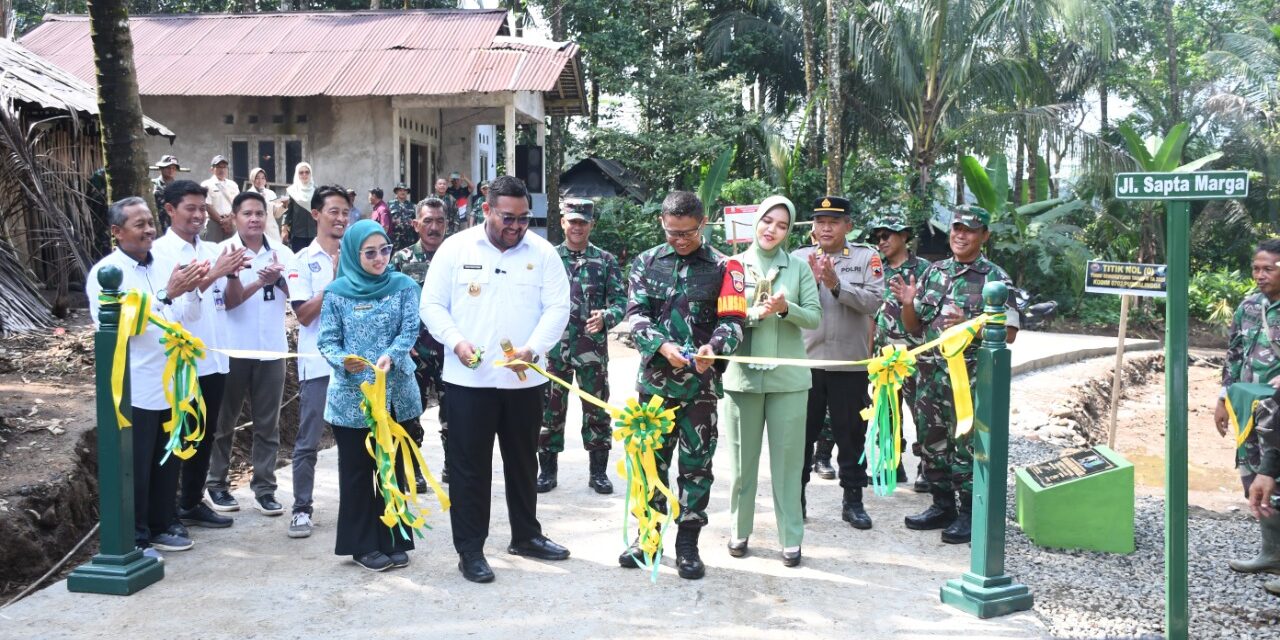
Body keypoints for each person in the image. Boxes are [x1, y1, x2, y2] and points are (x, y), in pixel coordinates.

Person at [421, 175, 572, 584]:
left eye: (525, 219)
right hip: (468, 384)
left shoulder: (542, 253)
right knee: (469, 468)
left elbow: (558, 308)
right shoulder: (455, 249)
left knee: (523, 461)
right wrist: (455, 342)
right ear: (486, 209)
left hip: (524, 382)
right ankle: (470, 550)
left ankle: (525, 535)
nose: (517, 226)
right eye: (509, 217)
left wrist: (534, 349)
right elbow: (432, 305)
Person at [621, 190, 746, 580]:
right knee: (649, 465)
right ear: (662, 223)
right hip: (654, 389)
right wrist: (659, 344)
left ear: (703, 223)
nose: (679, 239)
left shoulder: (726, 267)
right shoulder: (646, 262)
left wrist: (716, 346)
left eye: (687, 233)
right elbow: (636, 315)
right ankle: (648, 537)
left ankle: (688, 543)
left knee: (696, 467)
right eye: (673, 232)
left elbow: (734, 322)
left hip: (700, 390)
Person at [86, 196, 207, 558]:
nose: (149, 230)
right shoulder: (106, 273)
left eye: (150, 222)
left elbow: (186, 316)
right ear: (116, 232)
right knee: (136, 466)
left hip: (171, 382)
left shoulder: (166, 263)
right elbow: (123, 326)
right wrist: (168, 294)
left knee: (167, 459)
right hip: (133, 385)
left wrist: (193, 288)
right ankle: (136, 535)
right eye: (139, 224)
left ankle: (163, 523)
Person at [898, 204, 1019, 544]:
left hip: (971, 381)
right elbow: (914, 325)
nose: (960, 235)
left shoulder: (995, 278)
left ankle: (969, 512)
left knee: (967, 444)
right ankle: (941, 506)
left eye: (969, 229)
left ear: (984, 235)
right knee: (932, 441)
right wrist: (908, 303)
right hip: (930, 378)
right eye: (956, 228)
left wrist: (971, 329)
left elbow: (1008, 332)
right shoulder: (934, 272)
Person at [318, 219, 423, 572]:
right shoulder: (336, 293)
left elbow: (411, 328)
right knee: (358, 471)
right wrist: (341, 360)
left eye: (385, 250)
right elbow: (327, 341)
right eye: (370, 253)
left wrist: (392, 355)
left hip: (395, 393)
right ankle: (361, 544)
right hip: (353, 398)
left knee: (393, 467)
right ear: (352, 253)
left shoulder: (404, 286)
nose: (380, 259)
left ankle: (394, 536)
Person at [723, 196, 820, 567]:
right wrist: (753, 314)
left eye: (781, 225)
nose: (772, 230)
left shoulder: (798, 268)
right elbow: (725, 315)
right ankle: (738, 530)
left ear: (788, 230)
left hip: (789, 381)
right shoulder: (733, 265)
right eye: (767, 221)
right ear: (755, 221)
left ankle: (791, 538)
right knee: (742, 464)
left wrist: (785, 309)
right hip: (742, 380)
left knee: (788, 465)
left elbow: (814, 317)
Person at [153, 180, 250, 534]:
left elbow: (228, 299)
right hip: (180, 362)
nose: (198, 215)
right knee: (179, 434)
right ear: (169, 210)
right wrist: (213, 274)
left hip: (216, 355)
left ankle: (192, 501)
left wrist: (234, 274)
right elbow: (177, 310)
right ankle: (167, 511)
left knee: (206, 433)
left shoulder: (214, 249)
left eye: (202, 208)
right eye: (189, 208)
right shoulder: (159, 254)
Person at [793, 196, 885, 530]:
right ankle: (795, 500)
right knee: (800, 437)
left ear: (848, 225)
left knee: (851, 435)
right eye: (820, 221)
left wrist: (836, 285)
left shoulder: (865, 257)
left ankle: (853, 502)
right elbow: (784, 303)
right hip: (807, 365)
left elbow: (874, 300)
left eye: (834, 221)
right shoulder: (797, 258)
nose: (826, 227)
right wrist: (812, 282)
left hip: (850, 365)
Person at [204, 191, 295, 517]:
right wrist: (259, 280)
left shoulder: (282, 253)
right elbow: (228, 302)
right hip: (232, 349)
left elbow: (297, 296)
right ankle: (217, 484)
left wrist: (280, 279)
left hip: (271, 350)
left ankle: (265, 489)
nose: (255, 219)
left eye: (260, 213)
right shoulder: (223, 253)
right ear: (234, 217)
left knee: (267, 424)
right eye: (248, 214)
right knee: (223, 422)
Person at [537, 199, 627, 495]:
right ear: (563, 222)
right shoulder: (547, 258)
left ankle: (598, 473)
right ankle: (547, 472)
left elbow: (621, 303)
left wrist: (606, 317)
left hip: (591, 351)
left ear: (591, 224)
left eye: (582, 222)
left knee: (597, 411)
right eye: (571, 221)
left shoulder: (605, 260)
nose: (577, 227)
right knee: (549, 411)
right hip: (553, 351)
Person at [283, 185, 350, 539]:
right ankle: (301, 509)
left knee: (356, 440)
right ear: (316, 215)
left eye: (345, 212)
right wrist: (336, 282)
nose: (340, 219)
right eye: (334, 211)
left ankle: (358, 507)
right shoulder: (301, 261)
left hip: (355, 366)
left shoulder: (356, 254)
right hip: (319, 363)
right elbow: (305, 315)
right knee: (309, 439)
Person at [1219, 239, 1280, 586]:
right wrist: (1222, 400)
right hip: (1248, 410)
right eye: (1256, 268)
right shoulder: (1249, 306)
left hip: (1278, 411)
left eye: (1268, 268)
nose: (1260, 275)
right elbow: (1233, 356)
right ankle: (1272, 553)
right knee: (1253, 474)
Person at [391, 198, 451, 488]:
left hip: (450, 349)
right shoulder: (401, 260)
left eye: (439, 221)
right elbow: (389, 305)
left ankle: (453, 467)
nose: (434, 227)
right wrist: (400, 342)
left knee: (455, 412)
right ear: (416, 224)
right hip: (414, 350)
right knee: (410, 413)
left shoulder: (456, 257)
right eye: (427, 221)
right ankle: (411, 469)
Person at [870, 209, 932, 492]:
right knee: (887, 410)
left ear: (904, 236)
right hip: (883, 354)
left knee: (922, 410)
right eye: (877, 237)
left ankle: (926, 467)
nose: (881, 241)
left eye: (886, 236)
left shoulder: (925, 271)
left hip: (916, 353)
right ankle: (891, 462)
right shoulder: (874, 269)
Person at [200, 155, 238, 243]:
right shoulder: (206, 184)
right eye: (219, 167)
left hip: (231, 222)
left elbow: (237, 203)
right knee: (213, 251)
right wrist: (222, 221)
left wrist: (229, 220)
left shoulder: (233, 185)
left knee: (232, 250)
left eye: (224, 167)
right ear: (212, 169)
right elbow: (207, 205)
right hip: (214, 223)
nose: (222, 170)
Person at [281, 162, 317, 253]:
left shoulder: (316, 190)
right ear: (297, 174)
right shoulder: (292, 191)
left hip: (315, 233)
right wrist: (284, 229)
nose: (304, 175)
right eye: (301, 172)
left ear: (310, 174)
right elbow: (286, 212)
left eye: (307, 172)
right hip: (297, 233)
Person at [244, 168, 282, 243]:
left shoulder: (271, 193)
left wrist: (283, 206)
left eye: (263, 178)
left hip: (271, 231)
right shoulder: (247, 195)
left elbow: (276, 214)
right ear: (252, 179)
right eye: (257, 178)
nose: (260, 180)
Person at [150, 154, 184, 229]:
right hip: (156, 224)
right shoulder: (152, 184)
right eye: (168, 168)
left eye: (174, 168)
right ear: (161, 168)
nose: (171, 170)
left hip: (174, 225)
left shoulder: (179, 187)